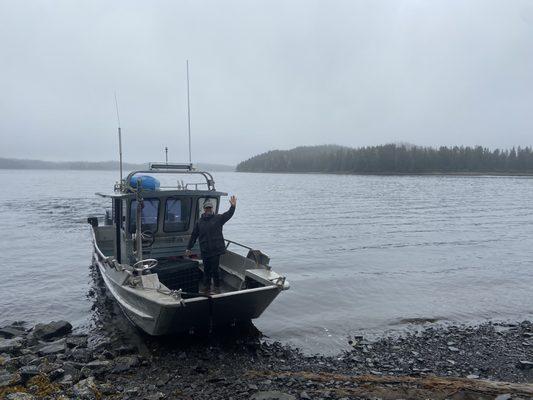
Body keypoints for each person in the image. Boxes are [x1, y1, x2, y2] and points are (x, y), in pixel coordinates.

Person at [185, 195, 237, 294]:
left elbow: (229, 214)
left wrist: (233, 206)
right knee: (206, 270)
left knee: (215, 269)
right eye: (207, 208)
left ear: (212, 208)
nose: (208, 209)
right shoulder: (199, 222)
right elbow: (194, 235)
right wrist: (189, 248)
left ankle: (217, 287)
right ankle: (207, 287)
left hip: (216, 250)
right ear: (204, 209)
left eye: (210, 208)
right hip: (205, 250)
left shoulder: (219, 218)